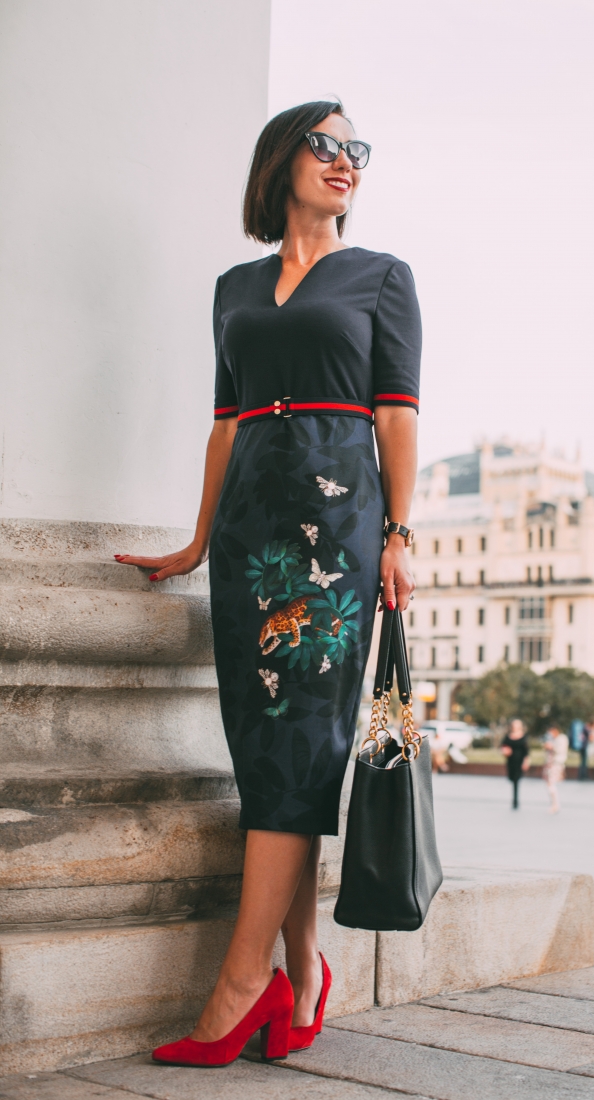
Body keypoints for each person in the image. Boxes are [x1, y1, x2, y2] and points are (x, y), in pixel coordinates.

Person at [114, 101, 420, 1068]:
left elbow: (397, 417)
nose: (345, 163)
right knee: (265, 749)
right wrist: (198, 541)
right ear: (282, 157)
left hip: (333, 529)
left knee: (300, 743)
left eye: (356, 151)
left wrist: (399, 536)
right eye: (326, 145)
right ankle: (302, 968)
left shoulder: (381, 278)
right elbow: (223, 423)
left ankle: (241, 986)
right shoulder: (234, 287)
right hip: (251, 526)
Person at [501, 718, 530, 809]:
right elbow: (503, 746)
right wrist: (505, 751)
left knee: (516, 781)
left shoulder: (524, 737)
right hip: (511, 761)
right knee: (512, 779)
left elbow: (526, 751)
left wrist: (526, 762)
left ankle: (515, 801)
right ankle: (515, 800)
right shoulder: (507, 736)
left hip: (519, 761)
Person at [543, 725, 568, 813]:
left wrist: (551, 746)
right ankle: (554, 804)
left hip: (556, 764)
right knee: (549, 784)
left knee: (551, 784)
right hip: (550, 764)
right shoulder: (553, 739)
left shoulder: (562, 739)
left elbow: (560, 750)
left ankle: (555, 804)